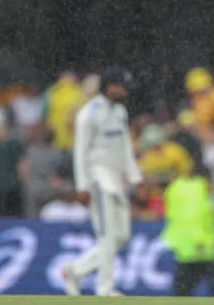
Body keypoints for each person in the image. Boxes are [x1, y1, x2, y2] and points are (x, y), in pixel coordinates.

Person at [61, 65, 143, 297]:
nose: (126, 92)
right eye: (123, 87)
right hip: (98, 178)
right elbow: (80, 152)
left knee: (122, 237)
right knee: (107, 236)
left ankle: (75, 271)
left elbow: (125, 148)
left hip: (117, 180)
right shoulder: (89, 112)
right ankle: (104, 289)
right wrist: (82, 186)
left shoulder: (120, 112)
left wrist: (135, 178)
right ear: (111, 87)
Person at [161, 172, 214, 296]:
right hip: (204, 247)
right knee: (212, 285)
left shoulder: (174, 190)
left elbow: (173, 218)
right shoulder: (200, 191)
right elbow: (204, 219)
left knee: (183, 288)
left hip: (185, 248)